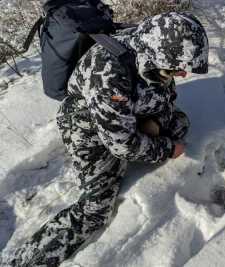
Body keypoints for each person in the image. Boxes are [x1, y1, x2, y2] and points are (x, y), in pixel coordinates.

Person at [7, 12, 209, 266]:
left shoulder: (148, 47)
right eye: (176, 68)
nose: (181, 75)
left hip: (121, 112)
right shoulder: (108, 73)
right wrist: (167, 149)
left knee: (179, 123)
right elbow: (122, 145)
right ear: (159, 55)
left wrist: (156, 125)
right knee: (95, 210)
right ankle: (26, 261)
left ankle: (144, 128)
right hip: (86, 129)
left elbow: (162, 94)